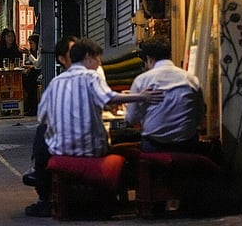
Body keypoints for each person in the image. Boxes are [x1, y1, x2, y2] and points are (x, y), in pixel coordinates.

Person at [25, 38, 164, 217]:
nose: (99, 64)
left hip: (59, 151)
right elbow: (109, 98)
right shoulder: (91, 76)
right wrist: (141, 97)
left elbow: (42, 116)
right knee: (122, 151)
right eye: (98, 59)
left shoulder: (55, 83)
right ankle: (112, 202)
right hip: (91, 151)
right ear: (88, 57)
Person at [125, 37, 204, 153]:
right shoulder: (191, 79)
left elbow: (131, 119)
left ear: (149, 59)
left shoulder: (142, 81)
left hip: (154, 147)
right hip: (187, 147)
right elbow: (199, 117)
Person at [21, 33, 41, 116]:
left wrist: (29, 54)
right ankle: (30, 106)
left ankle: (31, 107)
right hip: (36, 72)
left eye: (32, 43)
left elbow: (37, 64)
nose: (31, 46)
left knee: (30, 82)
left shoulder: (40, 51)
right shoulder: (36, 52)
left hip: (39, 74)